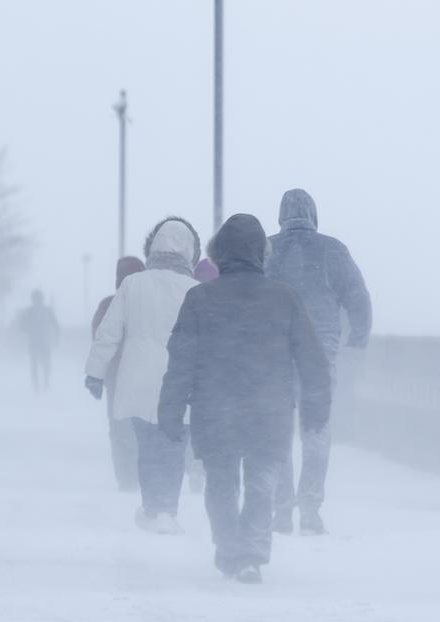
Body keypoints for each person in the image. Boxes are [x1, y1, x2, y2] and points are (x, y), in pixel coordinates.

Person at [159, 214, 332, 584]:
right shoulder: (284, 298)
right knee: (261, 483)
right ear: (261, 254)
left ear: (218, 253)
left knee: (220, 483)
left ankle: (228, 549)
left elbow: (181, 361)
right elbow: (312, 358)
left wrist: (170, 411)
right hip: (267, 410)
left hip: (214, 409)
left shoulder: (199, 298)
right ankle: (251, 554)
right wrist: (316, 407)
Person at [266, 189, 372, 535]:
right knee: (316, 429)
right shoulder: (332, 249)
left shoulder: (268, 249)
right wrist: (358, 336)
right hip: (319, 351)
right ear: (314, 214)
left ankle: (281, 510)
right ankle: (310, 509)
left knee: (279, 431)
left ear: (281, 215)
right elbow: (357, 295)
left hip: (276, 351)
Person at [85, 218, 200, 534]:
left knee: (147, 444)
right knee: (174, 444)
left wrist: (95, 373)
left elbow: (107, 333)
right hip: (178, 380)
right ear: (189, 253)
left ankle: (151, 507)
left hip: (136, 378)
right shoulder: (194, 290)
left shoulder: (132, 285)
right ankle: (167, 509)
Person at [91, 257, 146, 491]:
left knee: (120, 428)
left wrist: (97, 374)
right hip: (146, 375)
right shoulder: (149, 304)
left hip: (117, 376)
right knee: (144, 427)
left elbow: (99, 341)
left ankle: (126, 478)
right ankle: (142, 476)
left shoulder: (108, 305)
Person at [18, 290, 60, 392]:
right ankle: (40, 384)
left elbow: (55, 325)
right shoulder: (34, 311)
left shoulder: (38, 310)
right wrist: (28, 330)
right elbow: (56, 325)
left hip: (40, 341)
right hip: (39, 341)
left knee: (41, 364)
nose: (37, 300)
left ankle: (42, 384)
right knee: (40, 364)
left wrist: (28, 330)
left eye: (37, 298)